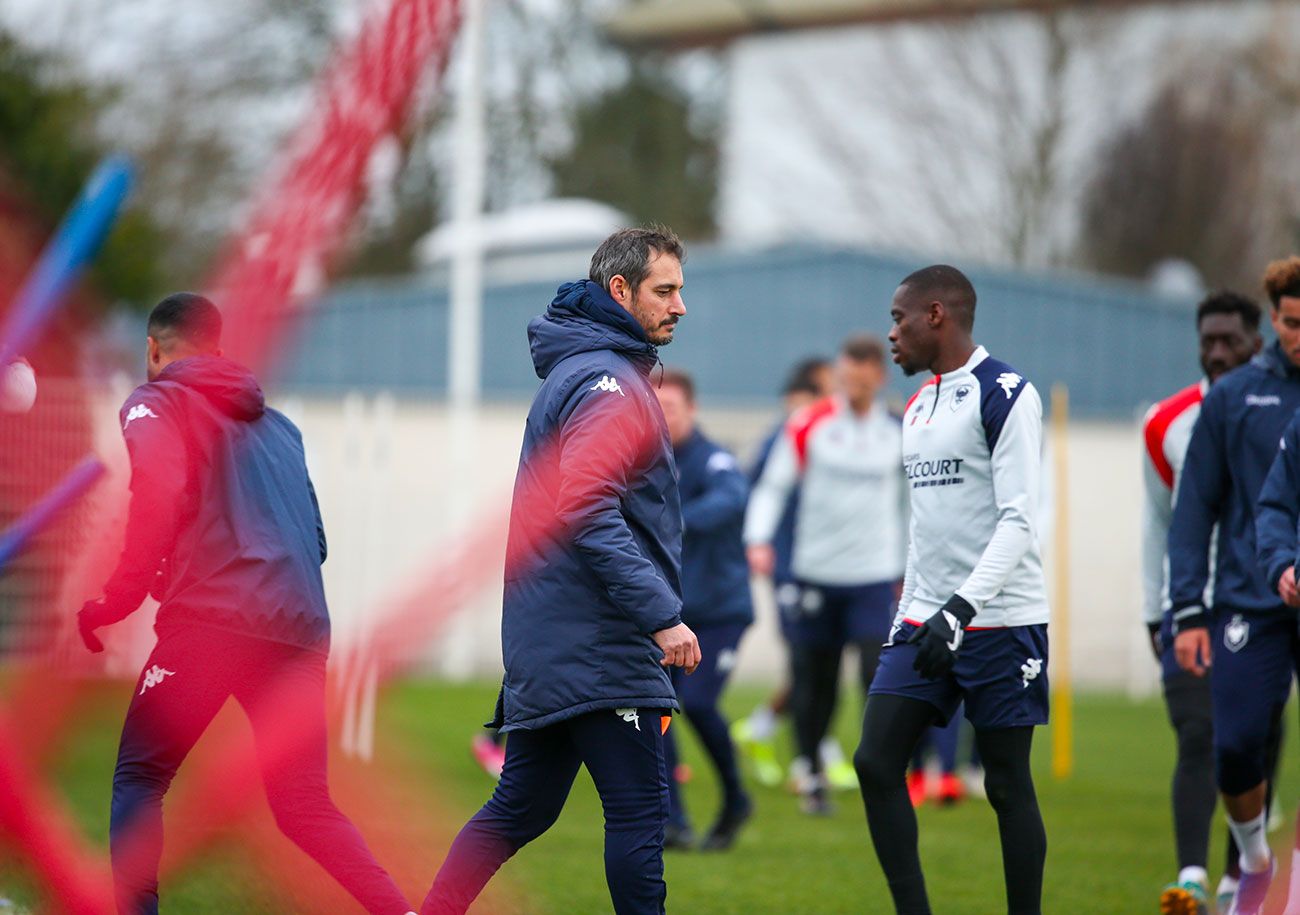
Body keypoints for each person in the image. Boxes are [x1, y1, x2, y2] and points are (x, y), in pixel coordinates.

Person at [76, 293, 414, 915]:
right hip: (299, 626)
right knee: (304, 806)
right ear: (220, 347)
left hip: (212, 621)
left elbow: (157, 490)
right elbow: (314, 539)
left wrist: (118, 596)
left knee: (141, 777)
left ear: (153, 349)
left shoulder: (155, 401)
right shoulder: (280, 427)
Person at [419, 227, 700, 915]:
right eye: (665, 290)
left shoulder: (592, 371)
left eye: (681, 290)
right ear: (620, 291)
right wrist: (661, 615)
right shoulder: (606, 381)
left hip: (559, 641)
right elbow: (587, 509)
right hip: (601, 643)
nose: (680, 306)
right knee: (638, 813)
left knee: (520, 808)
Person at [855, 264, 1049, 915]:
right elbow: (925, 528)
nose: (891, 335)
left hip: (1000, 620)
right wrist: (912, 612)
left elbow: (1021, 519)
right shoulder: (916, 403)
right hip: (925, 621)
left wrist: (962, 608)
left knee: (1005, 784)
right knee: (875, 762)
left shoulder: (1008, 391)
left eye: (898, 319)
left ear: (936, 314)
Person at [1141, 290, 1278, 914]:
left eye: (1231, 340)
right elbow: (1161, 523)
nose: (1218, 352)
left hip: (1262, 603)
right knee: (1199, 734)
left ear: (1260, 338)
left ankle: (1238, 875)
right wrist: (1159, 609)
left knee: (1252, 739)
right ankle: (1192, 875)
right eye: (1208, 341)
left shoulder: (1279, 407)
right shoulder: (1165, 422)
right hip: (1193, 608)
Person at [1172, 255, 1300, 915]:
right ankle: (1253, 857)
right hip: (1252, 597)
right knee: (1234, 743)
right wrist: (1188, 609)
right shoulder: (1233, 397)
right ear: (1272, 323)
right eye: (1292, 323)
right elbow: (1194, 508)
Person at [744, 334, 907, 815]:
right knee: (817, 680)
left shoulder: (898, 431)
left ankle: (880, 767)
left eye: (862, 379)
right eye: (845, 377)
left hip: (875, 576)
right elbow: (772, 487)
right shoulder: (808, 424)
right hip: (815, 574)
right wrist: (758, 540)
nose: (852, 387)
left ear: (880, 377)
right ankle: (811, 771)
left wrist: (909, 560)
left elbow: (910, 501)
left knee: (876, 671)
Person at [654, 369, 754, 851]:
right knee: (657, 710)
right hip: (672, 617)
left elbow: (731, 500)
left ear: (691, 410)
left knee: (695, 703)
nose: (662, 417)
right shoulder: (645, 461)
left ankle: (736, 797)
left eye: (671, 408)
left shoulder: (714, 461)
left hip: (720, 613)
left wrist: (670, 522)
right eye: (656, 408)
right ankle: (673, 818)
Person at [732, 358, 832, 789]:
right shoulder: (788, 433)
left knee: (819, 661)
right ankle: (808, 754)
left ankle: (769, 729)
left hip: (828, 567)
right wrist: (759, 543)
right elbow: (753, 489)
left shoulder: (836, 432)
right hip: (792, 568)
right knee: (806, 659)